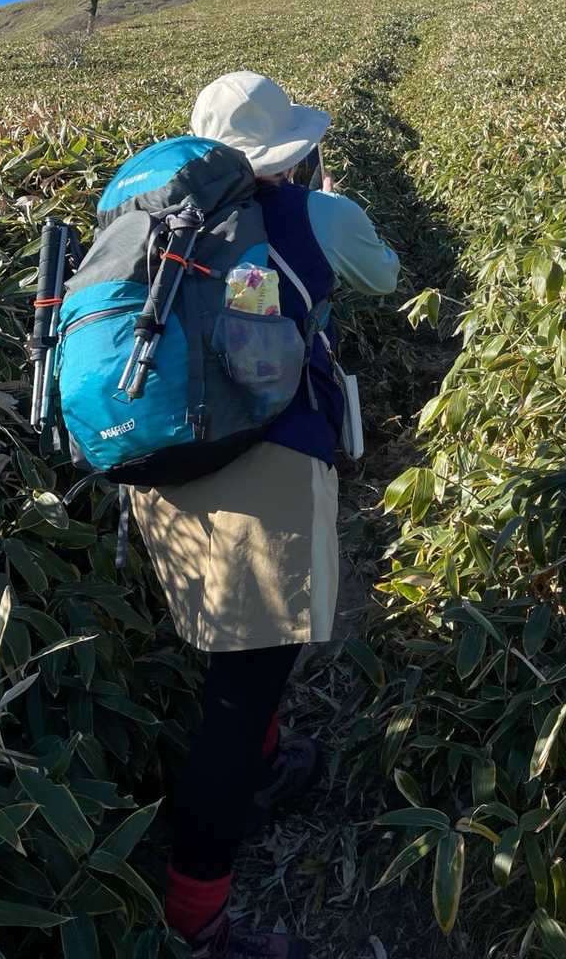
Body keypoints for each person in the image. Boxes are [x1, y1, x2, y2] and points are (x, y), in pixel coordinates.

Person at [128, 71, 399, 958]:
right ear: (295, 148)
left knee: (236, 652)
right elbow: (385, 276)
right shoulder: (317, 212)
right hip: (267, 463)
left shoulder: (160, 220)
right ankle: (197, 920)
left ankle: (272, 763)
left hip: (161, 459)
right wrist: (333, 210)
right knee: (239, 694)